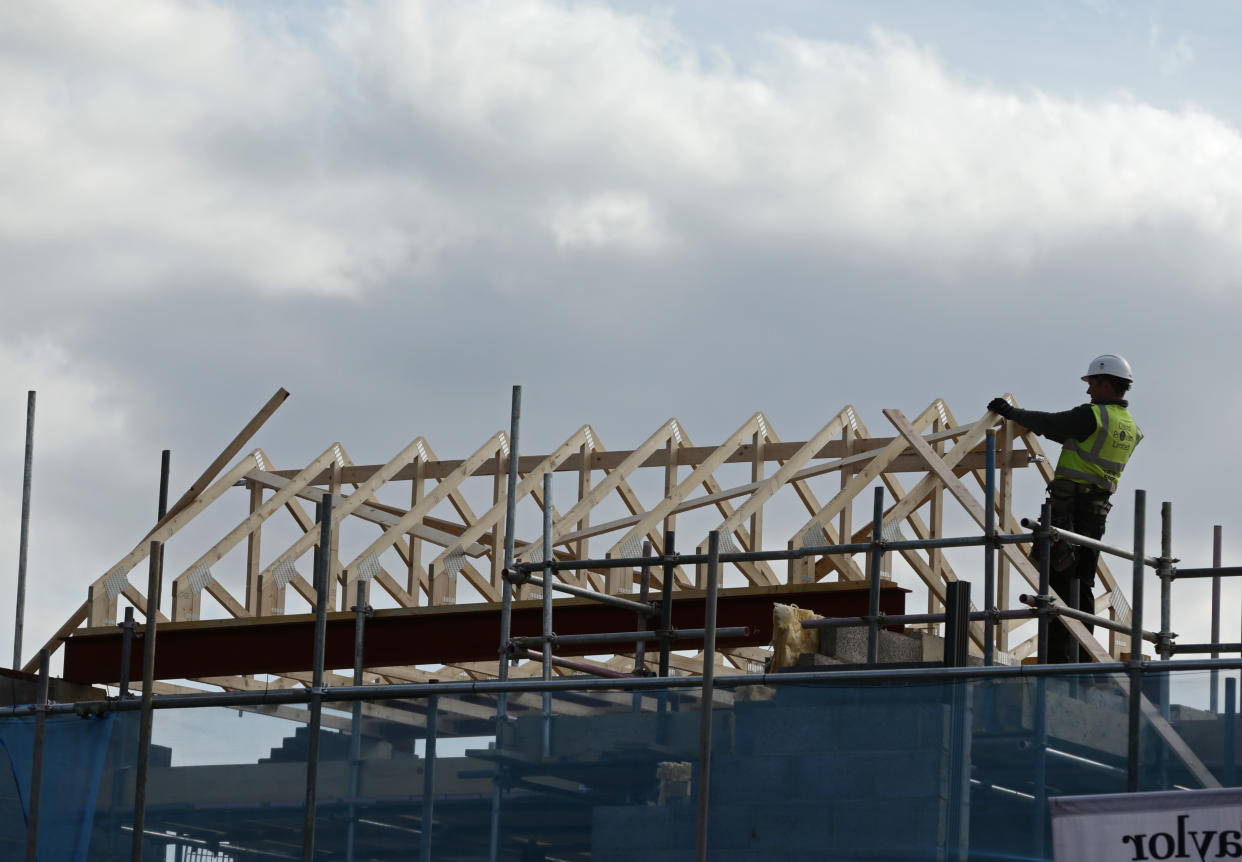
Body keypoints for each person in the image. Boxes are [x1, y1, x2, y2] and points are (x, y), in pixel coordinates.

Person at [987, 354, 1142, 663]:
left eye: (1092, 384)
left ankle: (1058, 661)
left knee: (1057, 582)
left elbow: (1051, 423)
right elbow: (1063, 434)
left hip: (1069, 511)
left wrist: (1011, 412)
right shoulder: (1129, 427)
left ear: (1105, 384)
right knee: (1081, 583)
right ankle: (1082, 657)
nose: (1088, 391)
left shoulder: (1093, 416)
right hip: (1096, 515)